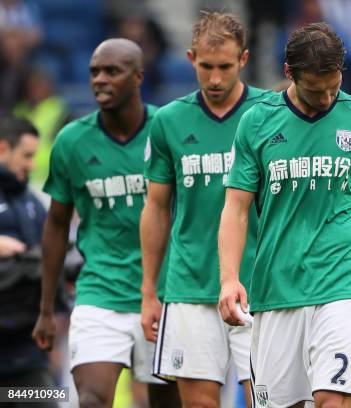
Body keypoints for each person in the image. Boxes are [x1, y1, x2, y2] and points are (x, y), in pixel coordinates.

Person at [218, 22, 351, 408]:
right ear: (289, 73)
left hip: (342, 283)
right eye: (314, 88)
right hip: (276, 289)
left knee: (330, 397)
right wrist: (228, 279)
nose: (326, 98)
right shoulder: (256, 123)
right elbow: (236, 209)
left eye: (334, 86)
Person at [31, 38, 179, 408]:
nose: (100, 79)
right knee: (93, 399)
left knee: (169, 404)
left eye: (112, 71)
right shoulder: (72, 141)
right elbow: (55, 224)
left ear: (138, 77)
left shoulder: (168, 128)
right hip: (101, 291)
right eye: (94, 71)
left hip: (166, 295)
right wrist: (47, 309)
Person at [140, 11, 269, 408]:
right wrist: (149, 291)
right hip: (190, 285)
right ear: (191, 57)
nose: (215, 79)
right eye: (206, 66)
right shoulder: (168, 120)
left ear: (244, 60)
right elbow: (157, 208)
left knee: (267, 400)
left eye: (225, 67)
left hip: (260, 287)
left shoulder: (270, 114)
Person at [0, 116, 55, 406]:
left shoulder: (32, 202)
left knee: (50, 399)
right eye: (27, 156)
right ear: (2, 149)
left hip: (27, 352)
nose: (32, 165)